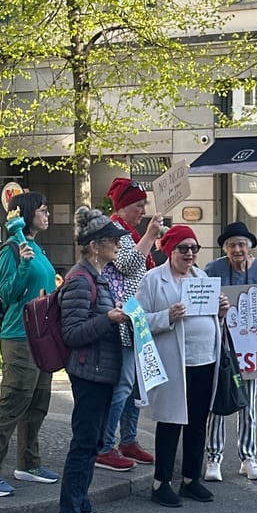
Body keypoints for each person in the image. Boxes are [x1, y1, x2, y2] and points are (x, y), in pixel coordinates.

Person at [53, 207, 130, 513]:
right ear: (95, 245)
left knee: (92, 442)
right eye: (112, 240)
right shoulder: (81, 280)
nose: (118, 245)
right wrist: (109, 320)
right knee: (83, 445)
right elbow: (71, 333)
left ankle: (82, 508)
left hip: (100, 371)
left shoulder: (94, 276)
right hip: (89, 372)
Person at [135, 225, 226, 508]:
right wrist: (166, 316)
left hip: (204, 360)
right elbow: (136, 320)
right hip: (174, 362)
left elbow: (210, 318)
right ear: (169, 250)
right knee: (171, 420)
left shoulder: (203, 277)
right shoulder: (153, 280)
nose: (189, 254)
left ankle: (190, 480)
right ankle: (161, 483)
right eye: (183, 248)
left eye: (194, 249)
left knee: (199, 422)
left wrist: (221, 313)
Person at [0, 191, 59, 497]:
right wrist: (23, 268)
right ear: (25, 215)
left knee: (38, 402)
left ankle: (29, 462)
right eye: (42, 210)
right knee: (12, 402)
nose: (47, 214)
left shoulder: (36, 247)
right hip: (19, 335)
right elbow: (8, 295)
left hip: (42, 336)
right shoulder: (12, 249)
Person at [204, 221, 257, 483]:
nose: (237, 249)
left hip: (254, 348)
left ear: (249, 247)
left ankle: (248, 457)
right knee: (218, 404)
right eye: (231, 245)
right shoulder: (213, 269)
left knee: (249, 405)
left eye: (241, 244)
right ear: (225, 249)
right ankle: (213, 458)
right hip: (223, 345)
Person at [95, 177, 162, 472]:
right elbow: (128, 265)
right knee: (124, 384)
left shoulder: (128, 231)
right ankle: (105, 446)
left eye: (143, 205)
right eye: (137, 205)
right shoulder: (116, 231)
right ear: (121, 207)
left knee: (136, 385)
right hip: (123, 316)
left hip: (135, 315)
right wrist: (149, 237)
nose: (142, 210)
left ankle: (129, 440)